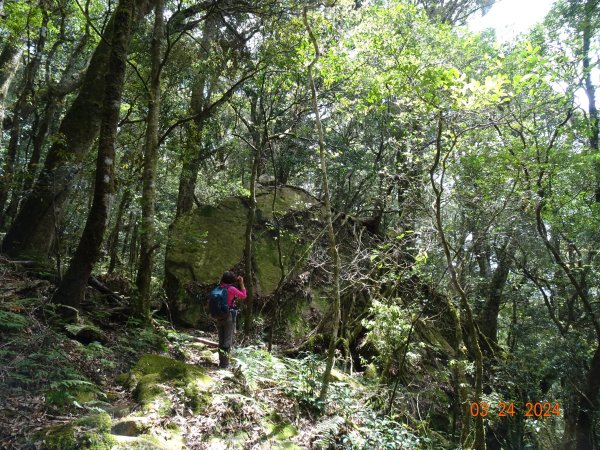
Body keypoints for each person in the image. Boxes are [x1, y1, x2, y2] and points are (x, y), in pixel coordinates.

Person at [215, 271, 246, 369]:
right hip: (228, 316)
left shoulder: (218, 288)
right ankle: (225, 365)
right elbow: (243, 296)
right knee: (227, 340)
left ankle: (221, 362)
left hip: (218, 315)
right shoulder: (231, 289)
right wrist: (241, 284)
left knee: (221, 339)